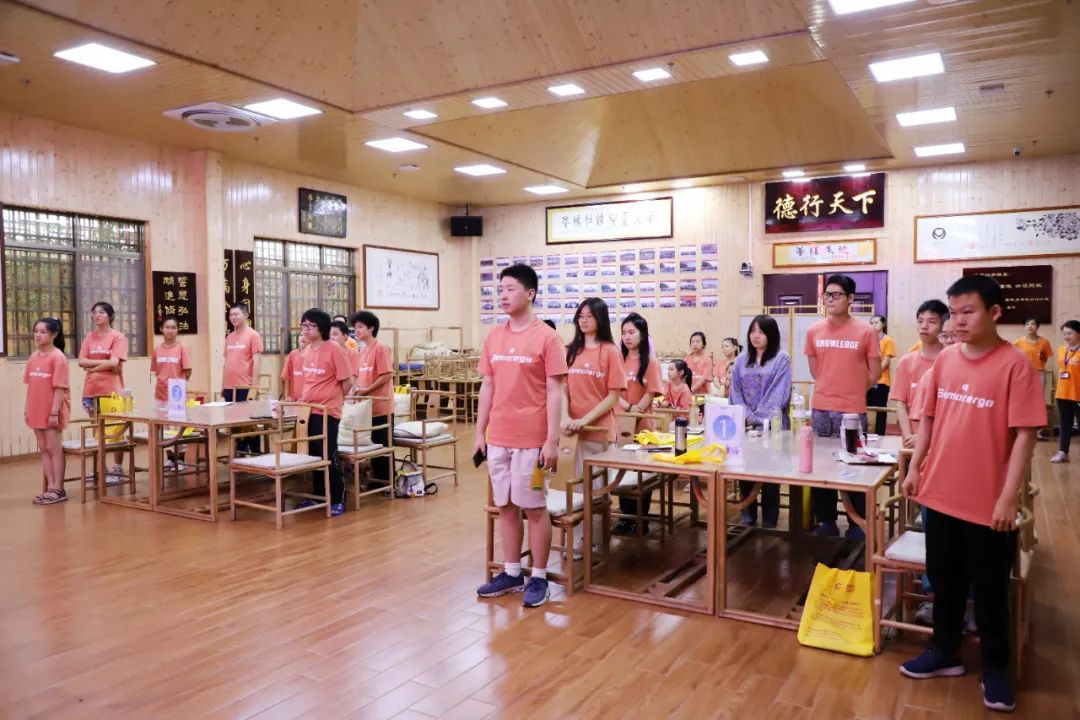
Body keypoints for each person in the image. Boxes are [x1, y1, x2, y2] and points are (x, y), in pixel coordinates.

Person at [900, 275, 1045, 713]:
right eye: (954, 312)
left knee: (990, 588)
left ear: (994, 313)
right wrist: (916, 466)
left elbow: (1026, 435)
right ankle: (945, 652)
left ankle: (995, 668)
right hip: (940, 492)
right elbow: (927, 417)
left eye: (968, 312)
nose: (958, 321)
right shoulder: (945, 360)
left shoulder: (1016, 365)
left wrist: (1008, 496)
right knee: (944, 581)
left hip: (988, 502)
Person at [475, 264, 567, 609]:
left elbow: (555, 392)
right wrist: (479, 433)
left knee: (535, 508)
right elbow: (488, 386)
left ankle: (539, 577)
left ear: (530, 293)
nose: (503, 295)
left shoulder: (548, 338)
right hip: (499, 437)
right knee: (505, 506)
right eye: (500, 289)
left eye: (510, 288)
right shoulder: (494, 337)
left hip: (532, 441)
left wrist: (551, 440)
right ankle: (512, 572)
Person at [804, 274, 881, 538]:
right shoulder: (814, 330)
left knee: (854, 465)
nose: (830, 299)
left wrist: (853, 390)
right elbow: (815, 370)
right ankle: (826, 521)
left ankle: (856, 523)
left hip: (852, 410)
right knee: (822, 466)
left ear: (850, 299)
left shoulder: (866, 331)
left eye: (836, 295)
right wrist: (830, 387)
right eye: (827, 295)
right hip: (821, 408)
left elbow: (874, 372)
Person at [564, 298, 627, 553]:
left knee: (598, 490)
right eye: (580, 315)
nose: (584, 320)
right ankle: (580, 540)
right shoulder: (570, 350)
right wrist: (566, 418)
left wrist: (584, 420)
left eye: (589, 316)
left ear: (600, 319)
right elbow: (562, 389)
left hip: (599, 432)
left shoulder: (610, 351)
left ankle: (599, 541)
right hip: (572, 432)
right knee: (576, 487)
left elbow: (613, 396)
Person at [730, 315, 791, 528]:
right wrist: (747, 416)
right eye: (752, 331)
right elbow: (735, 392)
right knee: (745, 471)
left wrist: (760, 418)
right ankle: (747, 515)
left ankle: (770, 518)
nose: (755, 336)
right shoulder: (741, 360)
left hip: (773, 426)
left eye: (761, 332)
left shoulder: (781, 359)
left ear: (771, 335)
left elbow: (779, 393)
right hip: (746, 425)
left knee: (770, 473)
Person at [295, 308, 353, 516]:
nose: (306, 329)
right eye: (303, 325)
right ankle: (319, 496)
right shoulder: (308, 350)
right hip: (308, 411)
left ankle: (337, 498)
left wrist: (334, 400)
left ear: (322, 328)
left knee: (329, 455)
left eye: (310, 326)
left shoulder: (334, 349)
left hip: (327, 412)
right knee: (314, 456)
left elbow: (347, 382)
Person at [615, 312, 662, 535]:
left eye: (631, 332)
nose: (627, 337)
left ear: (642, 334)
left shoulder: (650, 361)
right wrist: (627, 408)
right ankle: (625, 518)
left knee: (641, 473)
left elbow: (652, 391)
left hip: (643, 425)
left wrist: (636, 411)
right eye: (624, 332)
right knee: (623, 472)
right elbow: (613, 391)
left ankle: (640, 520)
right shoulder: (618, 359)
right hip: (622, 424)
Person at [78, 301, 128, 482]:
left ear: (110, 316)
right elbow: (81, 361)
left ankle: (117, 468)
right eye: (94, 312)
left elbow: (115, 362)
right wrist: (104, 364)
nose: (97, 315)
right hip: (91, 390)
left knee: (116, 430)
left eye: (101, 312)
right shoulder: (89, 337)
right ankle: (101, 468)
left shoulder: (118, 337)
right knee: (96, 430)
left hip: (112, 391)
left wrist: (92, 367)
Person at [890, 301, 948, 449]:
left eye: (932, 322)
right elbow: (901, 403)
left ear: (944, 325)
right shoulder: (906, 361)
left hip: (941, 441)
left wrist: (925, 437)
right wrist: (908, 436)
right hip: (911, 442)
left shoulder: (950, 362)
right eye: (920, 321)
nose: (924, 326)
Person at [26, 318, 70, 505]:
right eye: (36, 331)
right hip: (36, 407)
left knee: (54, 448)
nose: (38, 335)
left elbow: (60, 388)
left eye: (43, 332)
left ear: (54, 334)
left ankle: (58, 489)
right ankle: (50, 487)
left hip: (52, 409)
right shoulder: (33, 357)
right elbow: (30, 386)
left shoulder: (58, 357)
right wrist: (27, 408)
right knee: (44, 448)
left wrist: (54, 412)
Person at [351, 310, 395, 485]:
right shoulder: (362, 351)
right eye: (355, 328)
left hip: (381, 406)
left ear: (371, 328)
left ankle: (387, 482)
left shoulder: (380, 348)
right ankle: (376, 481)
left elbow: (387, 375)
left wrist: (367, 390)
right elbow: (360, 377)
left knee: (383, 446)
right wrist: (356, 391)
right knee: (373, 446)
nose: (357, 331)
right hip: (366, 406)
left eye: (360, 327)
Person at [223, 302, 264, 454]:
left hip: (245, 386)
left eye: (236, 314)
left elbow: (257, 361)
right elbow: (226, 362)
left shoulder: (253, 335)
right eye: (231, 315)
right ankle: (239, 453)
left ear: (246, 315)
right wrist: (223, 385)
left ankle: (255, 452)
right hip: (229, 387)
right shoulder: (229, 337)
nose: (233, 317)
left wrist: (254, 387)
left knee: (249, 422)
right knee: (234, 422)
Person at [1014, 318, 1055, 441]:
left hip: (1039, 373)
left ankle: (1037, 430)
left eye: (1032, 324)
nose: (1029, 326)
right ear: (1024, 327)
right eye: (1027, 324)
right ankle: (1022, 429)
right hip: (1023, 374)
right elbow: (1013, 357)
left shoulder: (1044, 342)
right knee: (1023, 400)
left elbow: (1045, 358)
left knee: (1037, 401)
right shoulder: (1018, 342)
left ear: (1037, 326)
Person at [1051, 319, 1080, 463]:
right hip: (1063, 392)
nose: (1066, 336)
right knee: (1065, 423)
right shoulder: (1062, 349)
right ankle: (1063, 452)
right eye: (1064, 334)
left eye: (1070, 333)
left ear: (1078, 333)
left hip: (1078, 393)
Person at [150, 316, 192, 406]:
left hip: (177, 394)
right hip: (160, 395)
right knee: (159, 415)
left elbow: (188, 371)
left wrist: (179, 384)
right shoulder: (157, 350)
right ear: (161, 329)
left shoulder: (182, 348)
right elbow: (156, 372)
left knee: (176, 416)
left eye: (173, 328)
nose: (170, 330)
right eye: (167, 327)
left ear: (177, 330)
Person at [867, 315, 896, 436]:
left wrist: (875, 373)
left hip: (881, 381)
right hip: (867, 380)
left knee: (880, 409)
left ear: (883, 324)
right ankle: (866, 433)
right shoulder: (868, 340)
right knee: (866, 407)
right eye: (871, 323)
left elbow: (886, 360)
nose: (873, 325)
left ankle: (879, 435)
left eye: (876, 322)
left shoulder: (888, 340)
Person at [280, 333, 309, 402]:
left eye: (306, 335)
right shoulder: (292, 354)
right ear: (298, 339)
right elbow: (286, 377)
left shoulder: (314, 355)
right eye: (301, 335)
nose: (303, 337)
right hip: (293, 400)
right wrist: (287, 396)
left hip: (308, 400)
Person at [330, 319, 361, 384]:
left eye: (334, 334)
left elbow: (353, 379)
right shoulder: (326, 353)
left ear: (345, 336)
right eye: (329, 335)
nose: (331, 338)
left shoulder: (353, 354)